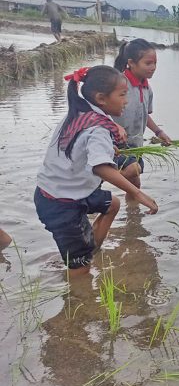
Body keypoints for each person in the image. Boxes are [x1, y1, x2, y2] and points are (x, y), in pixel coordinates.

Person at [34, 66, 158, 275]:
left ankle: (88, 252)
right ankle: (80, 278)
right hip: (61, 203)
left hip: (61, 191)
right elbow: (100, 167)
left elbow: (82, 145)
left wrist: (111, 146)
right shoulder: (97, 127)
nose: (126, 101)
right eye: (122, 94)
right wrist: (138, 193)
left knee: (113, 204)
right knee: (80, 274)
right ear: (101, 98)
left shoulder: (82, 111)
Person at [112, 38, 173, 188]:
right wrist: (114, 126)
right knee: (133, 169)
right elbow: (99, 111)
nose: (153, 67)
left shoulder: (146, 88)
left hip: (136, 144)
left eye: (155, 63)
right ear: (131, 63)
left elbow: (144, 115)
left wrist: (159, 132)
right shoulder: (118, 84)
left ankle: (133, 211)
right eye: (148, 63)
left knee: (134, 186)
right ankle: (101, 175)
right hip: (114, 143)